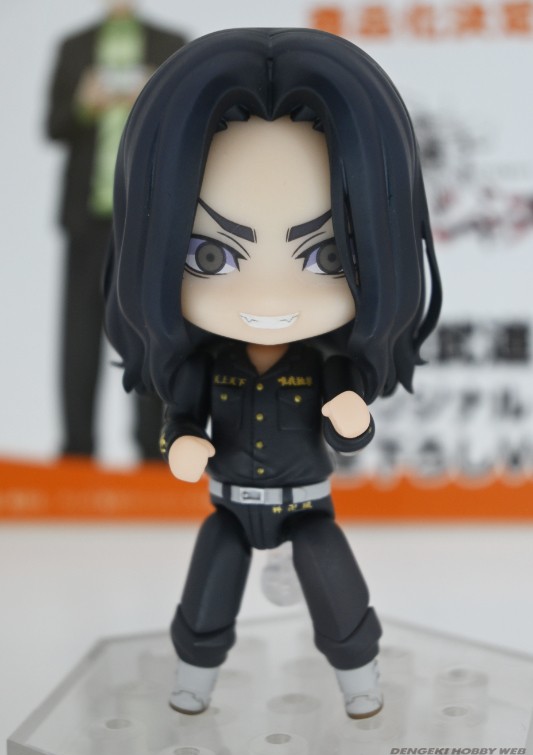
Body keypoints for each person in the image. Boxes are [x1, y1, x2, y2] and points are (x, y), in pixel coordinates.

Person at [104, 28, 442, 717]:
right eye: (209, 256)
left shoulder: (325, 364)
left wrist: (350, 420)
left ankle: (360, 678)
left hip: (305, 508)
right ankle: (193, 678)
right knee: (208, 587)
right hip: (230, 506)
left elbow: (349, 433)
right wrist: (181, 443)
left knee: (335, 587)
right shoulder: (209, 364)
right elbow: (180, 420)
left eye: (326, 258)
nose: (265, 301)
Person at [46, 1, 186, 458]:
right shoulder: (74, 47)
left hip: (148, 218)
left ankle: (153, 450)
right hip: (87, 217)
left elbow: (189, 124)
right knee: (80, 334)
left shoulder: (170, 44)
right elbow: (53, 125)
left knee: (150, 332)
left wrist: (154, 99)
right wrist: (84, 106)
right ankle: (76, 450)